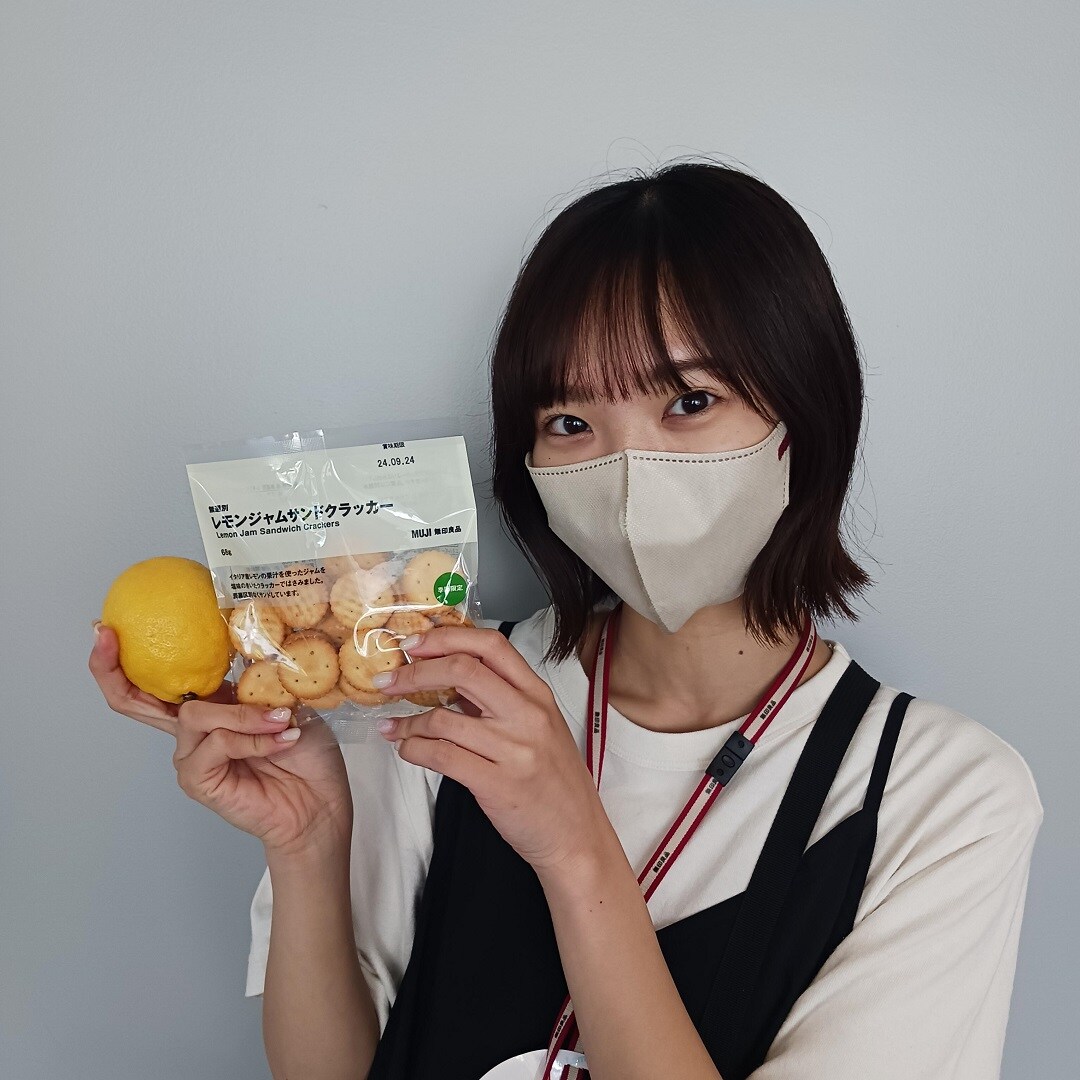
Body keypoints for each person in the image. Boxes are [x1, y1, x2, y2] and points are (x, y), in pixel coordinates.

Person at [90, 161, 1043, 1080]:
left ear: (806, 416)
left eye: (691, 401)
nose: (629, 475)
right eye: (571, 424)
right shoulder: (436, 694)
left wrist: (574, 843)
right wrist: (307, 844)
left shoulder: (938, 797)